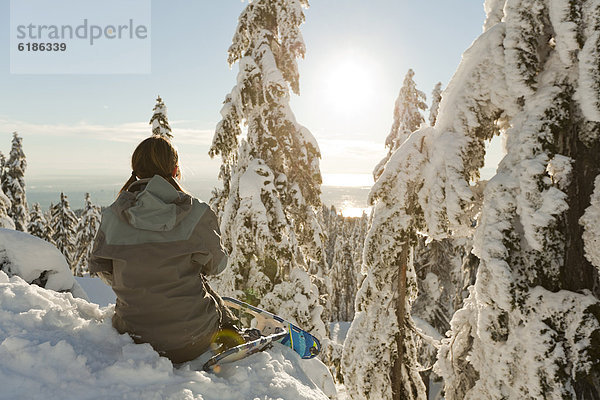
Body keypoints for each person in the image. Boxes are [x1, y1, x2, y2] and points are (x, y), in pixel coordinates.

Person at [89, 136, 242, 364]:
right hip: (191, 340)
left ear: (136, 170)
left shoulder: (113, 215)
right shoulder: (196, 213)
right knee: (202, 284)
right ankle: (232, 329)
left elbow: (102, 269)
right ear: (175, 169)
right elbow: (216, 266)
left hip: (131, 337)